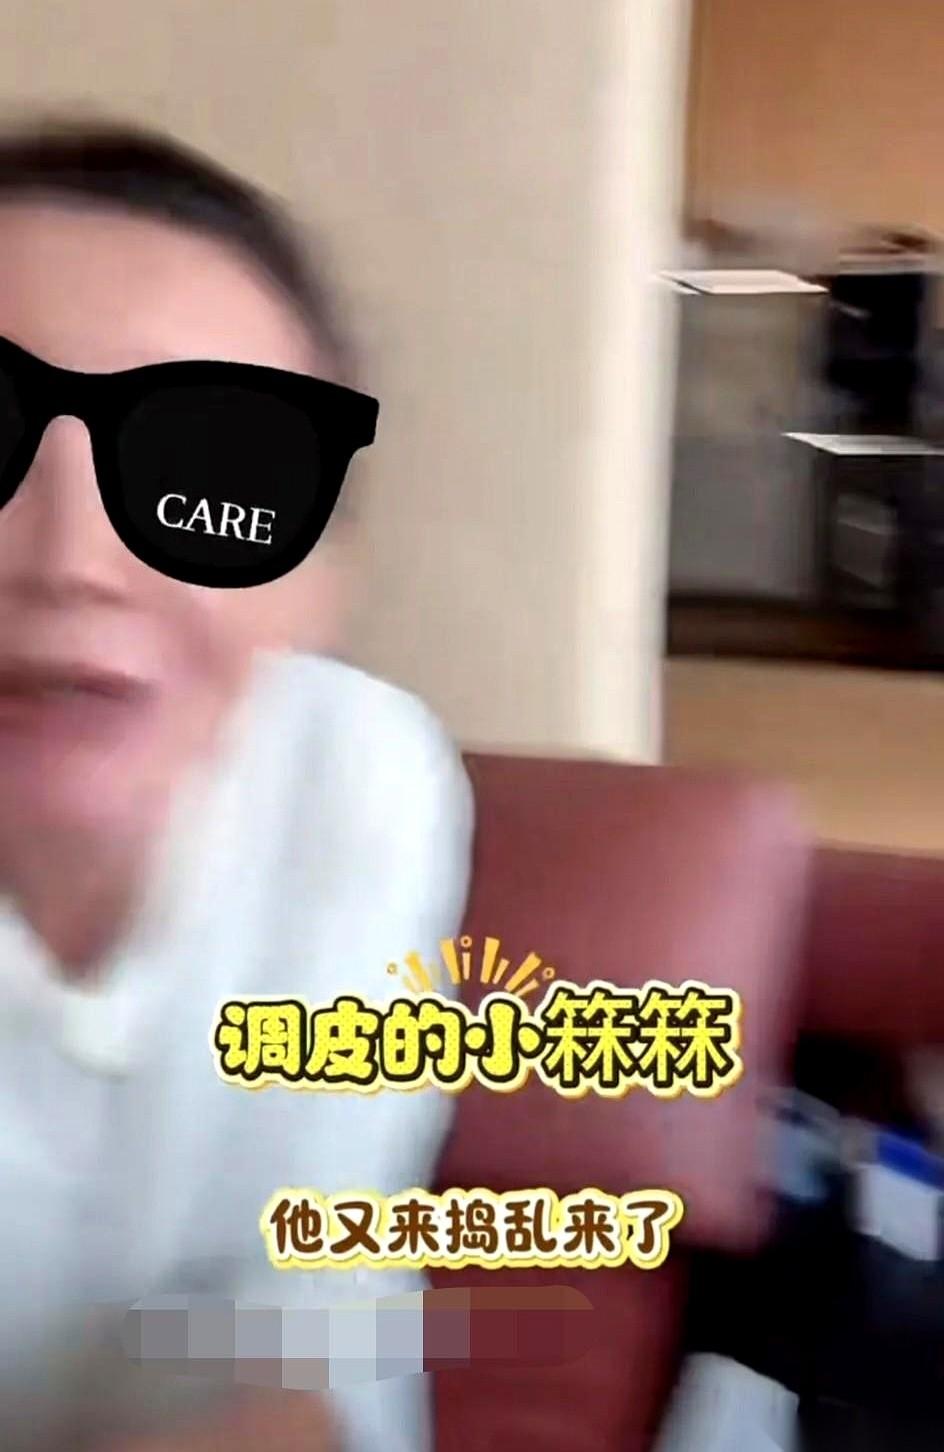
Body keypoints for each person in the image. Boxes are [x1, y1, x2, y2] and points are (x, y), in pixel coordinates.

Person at [0, 118, 473, 1451]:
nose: (72, 558)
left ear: (323, 580)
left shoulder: (357, 777)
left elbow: (298, 1293)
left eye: (210, 468)